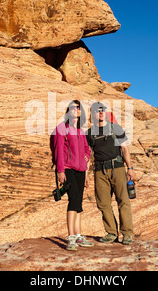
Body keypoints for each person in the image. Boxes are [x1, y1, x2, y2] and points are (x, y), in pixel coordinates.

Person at [86, 102, 135, 245]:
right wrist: (86, 175)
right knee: (103, 203)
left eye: (102, 110)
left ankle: (126, 234)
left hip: (117, 168)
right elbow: (88, 156)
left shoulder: (116, 128)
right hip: (99, 171)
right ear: (93, 114)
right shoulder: (89, 133)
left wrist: (130, 168)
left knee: (123, 201)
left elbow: (125, 149)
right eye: (97, 111)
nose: (100, 113)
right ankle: (112, 233)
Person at [53, 100, 94, 251]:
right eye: (73, 108)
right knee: (73, 199)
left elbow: (87, 149)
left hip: (80, 170)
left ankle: (78, 236)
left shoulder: (80, 131)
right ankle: (70, 237)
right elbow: (58, 150)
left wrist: (86, 160)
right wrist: (60, 170)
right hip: (68, 168)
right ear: (68, 111)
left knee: (79, 203)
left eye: (78, 108)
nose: (76, 110)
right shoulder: (61, 128)